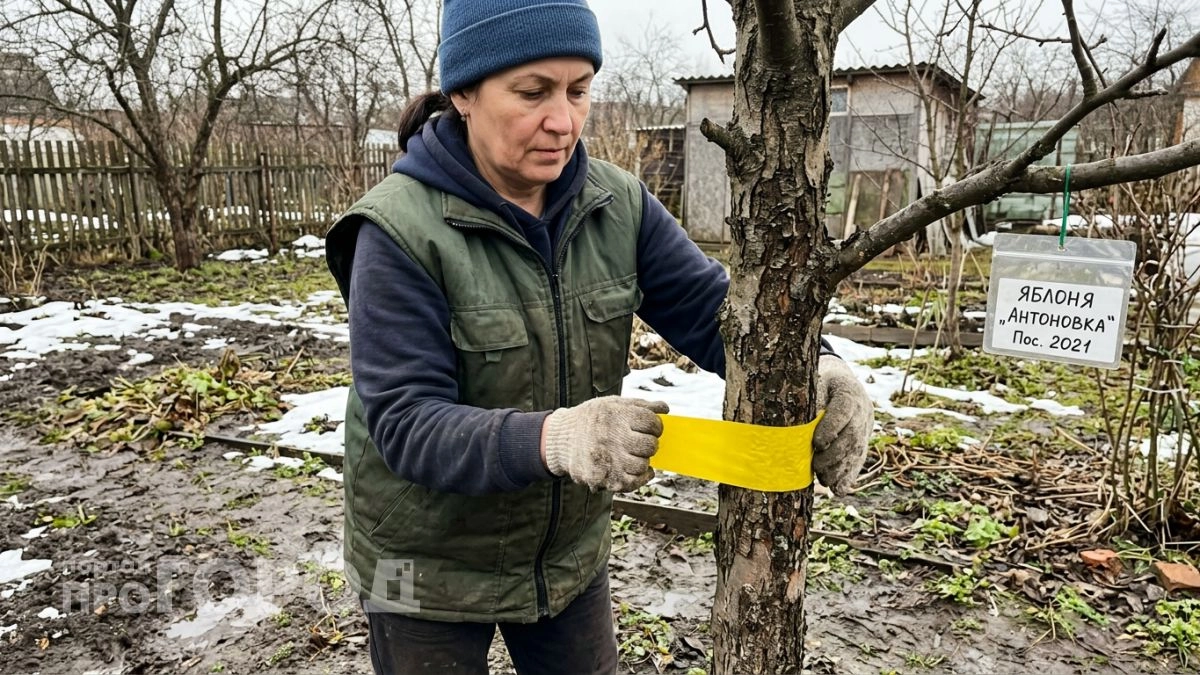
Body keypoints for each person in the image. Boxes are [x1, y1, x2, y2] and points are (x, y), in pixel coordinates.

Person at [324, 1, 875, 672]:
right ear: (464, 93)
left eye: (578, 90)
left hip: (563, 555)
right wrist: (558, 437)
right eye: (533, 92)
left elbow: (716, 313)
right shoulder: (395, 232)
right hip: (414, 559)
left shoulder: (618, 206)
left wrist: (821, 367)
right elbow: (407, 424)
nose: (563, 120)